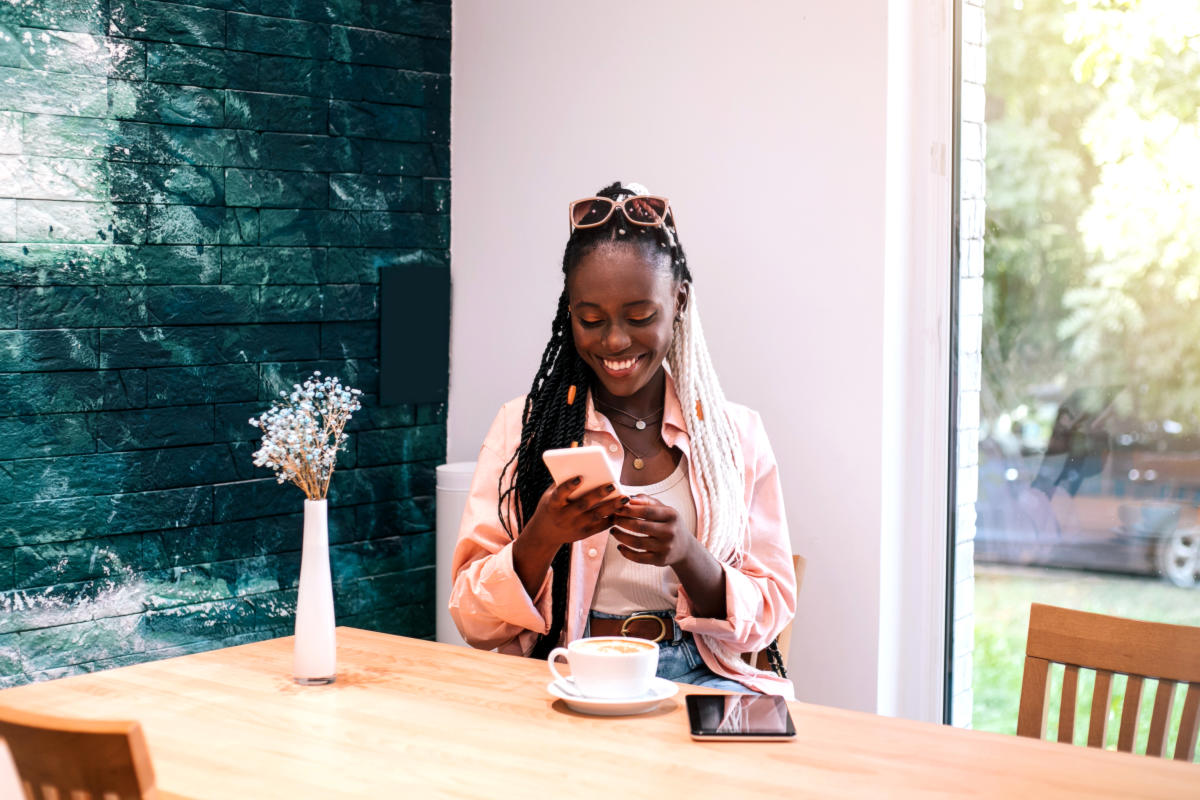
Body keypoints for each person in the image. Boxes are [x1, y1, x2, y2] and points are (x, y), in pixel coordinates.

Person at [449, 182, 796, 697]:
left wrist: (687, 554)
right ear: (570, 313)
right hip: (566, 671)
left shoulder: (735, 436)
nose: (614, 341)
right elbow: (473, 621)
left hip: (702, 677)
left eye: (640, 317)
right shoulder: (522, 428)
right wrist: (542, 536)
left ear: (678, 300)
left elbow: (769, 611)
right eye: (591, 319)